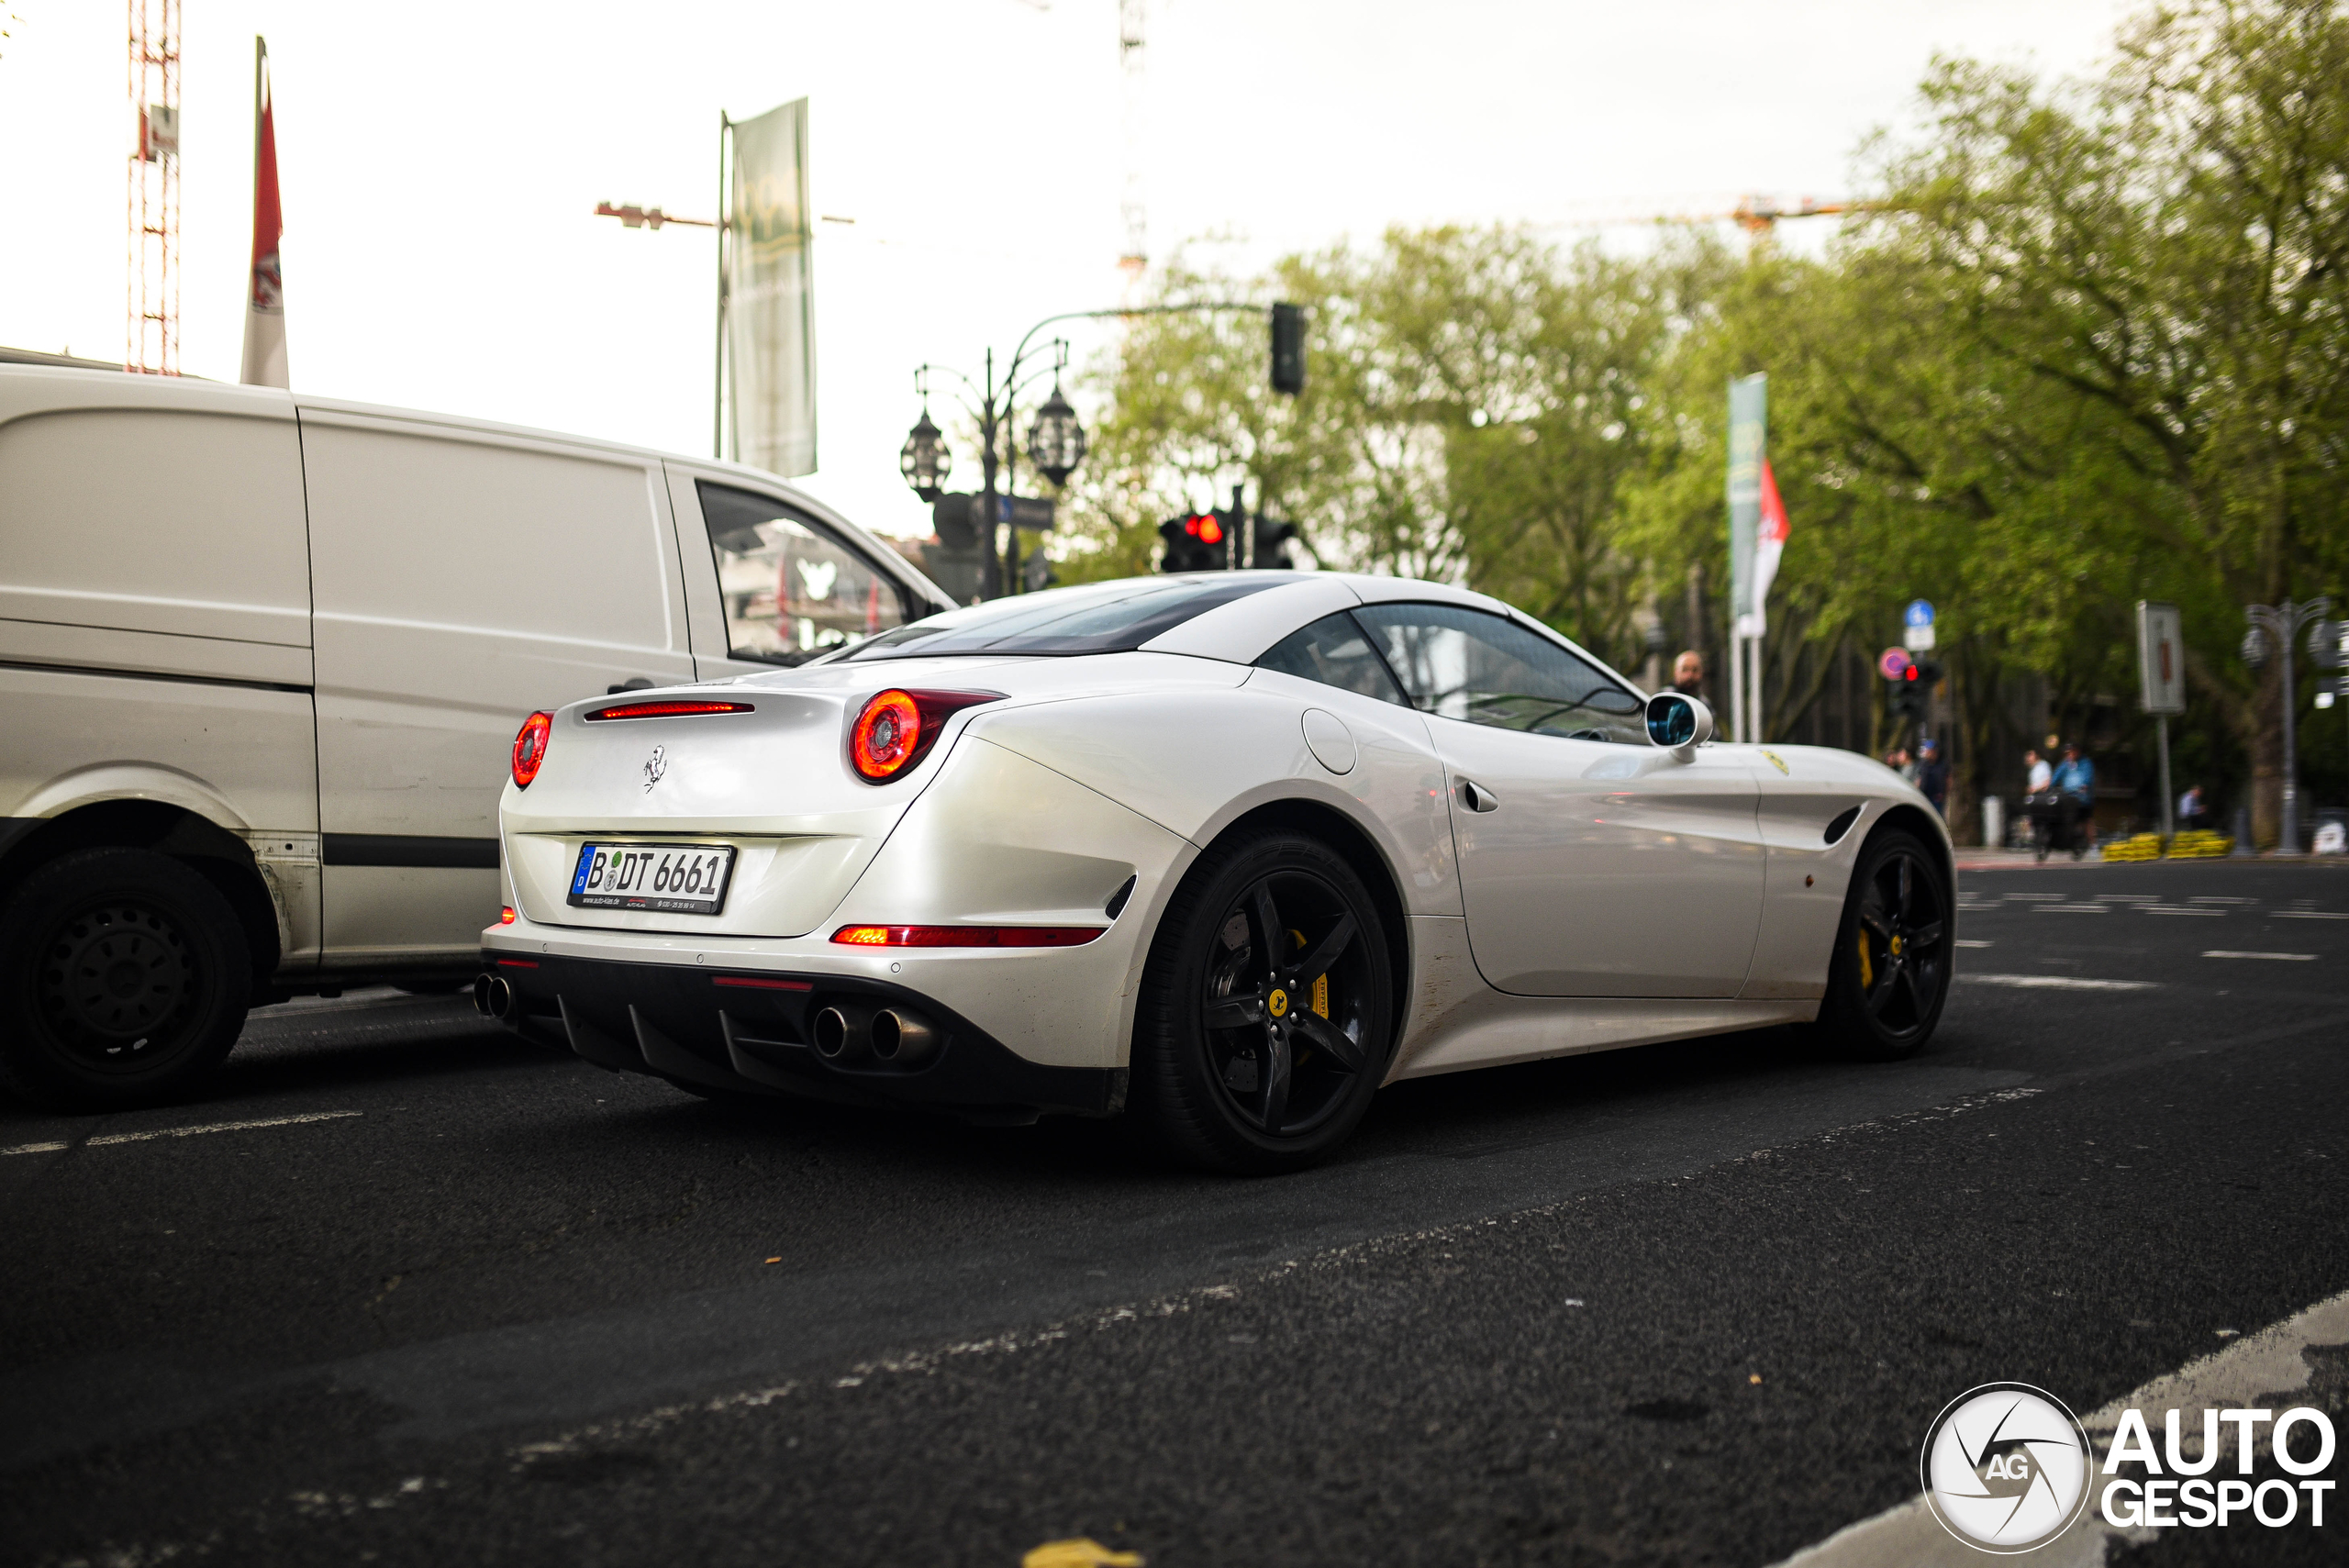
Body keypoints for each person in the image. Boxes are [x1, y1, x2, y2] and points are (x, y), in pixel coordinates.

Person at [2052, 741, 2097, 850]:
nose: (2070, 755)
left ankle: (2093, 844)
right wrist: (2050, 786)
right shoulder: (2065, 764)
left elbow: (2088, 777)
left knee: (2086, 819)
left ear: (2077, 752)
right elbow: (2056, 776)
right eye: (2068, 753)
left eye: (2072, 752)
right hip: (2068, 798)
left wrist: (2085, 786)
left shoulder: (2086, 763)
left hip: (2083, 798)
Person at [1915, 738, 1950, 816]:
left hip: (1937, 798)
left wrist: (1944, 794)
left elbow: (1948, 780)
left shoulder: (1942, 765)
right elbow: (1919, 779)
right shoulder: (1923, 764)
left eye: (1930, 751)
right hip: (1924, 796)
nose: (1928, 753)